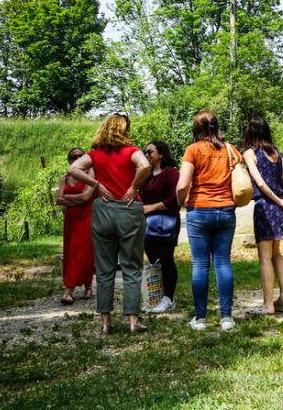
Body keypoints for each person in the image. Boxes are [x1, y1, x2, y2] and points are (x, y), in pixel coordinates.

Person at [68, 114, 150, 334]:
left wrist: (95, 183)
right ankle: (133, 320)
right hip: (128, 209)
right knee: (132, 266)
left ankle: (105, 322)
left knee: (104, 268)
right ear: (124, 130)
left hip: (103, 210)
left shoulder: (94, 154)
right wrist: (134, 187)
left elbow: (73, 169)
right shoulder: (132, 151)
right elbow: (144, 166)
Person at [176, 110, 242, 332]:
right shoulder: (230, 149)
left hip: (200, 211)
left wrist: (181, 201)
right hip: (225, 210)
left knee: (200, 264)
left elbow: (182, 185)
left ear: (197, 128)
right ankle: (226, 318)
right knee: (223, 262)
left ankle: (201, 319)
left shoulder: (193, 150)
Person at [242, 115, 283, 316]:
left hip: (265, 207)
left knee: (264, 257)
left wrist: (277, 200)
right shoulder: (276, 152)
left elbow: (260, 183)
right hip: (281, 209)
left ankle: (268, 305)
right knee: (277, 254)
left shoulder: (250, 153)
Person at [140, 141, 180, 313]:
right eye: (145, 152)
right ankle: (158, 295)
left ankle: (169, 298)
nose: (147, 154)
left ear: (161, 154)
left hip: (166, 224)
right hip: (148, 225)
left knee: (166, 260)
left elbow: (175, 199)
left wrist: (152, 207)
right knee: (154, 261)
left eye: (150, 152)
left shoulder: (171, 173)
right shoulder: (147, 175)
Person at [56, 148, 95, 305]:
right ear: (70, 161)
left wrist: (66, 198)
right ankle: (88, 286)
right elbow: (58, 200)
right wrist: (75, 199)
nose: (78, 158)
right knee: (72, 252)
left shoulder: (91, 173)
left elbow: (86, 197)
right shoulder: (66, 176)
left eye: (81, 156)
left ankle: (68, 291)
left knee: (77, 249)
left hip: (87, 218)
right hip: (70, 218)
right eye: (74, 157)